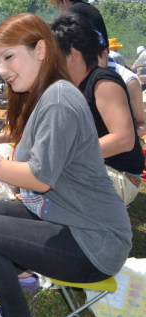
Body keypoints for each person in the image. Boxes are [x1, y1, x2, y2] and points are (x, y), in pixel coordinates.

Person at [0, 13, 132, 317]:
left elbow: (40, 178)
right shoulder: (47, 94)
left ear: (41, 50)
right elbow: (37, 168)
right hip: (67, 218)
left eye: (9, 57)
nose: (2, 70)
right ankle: (22, 275)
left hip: (94, 243)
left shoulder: (59, 99)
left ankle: (13, 315)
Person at [51, 12, 144, 205]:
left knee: (45, 178)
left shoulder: (102, 81)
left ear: (73, 54)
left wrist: (65, 154)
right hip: (99, 166)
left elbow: (123, 140)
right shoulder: (77, 83)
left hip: (120, 176)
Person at [49, 0, 109, 65]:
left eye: (58, 3)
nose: (58, 7)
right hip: (102, 58)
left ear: (64, 1)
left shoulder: (72, 11)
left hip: (89, 62)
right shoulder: (93, 9)